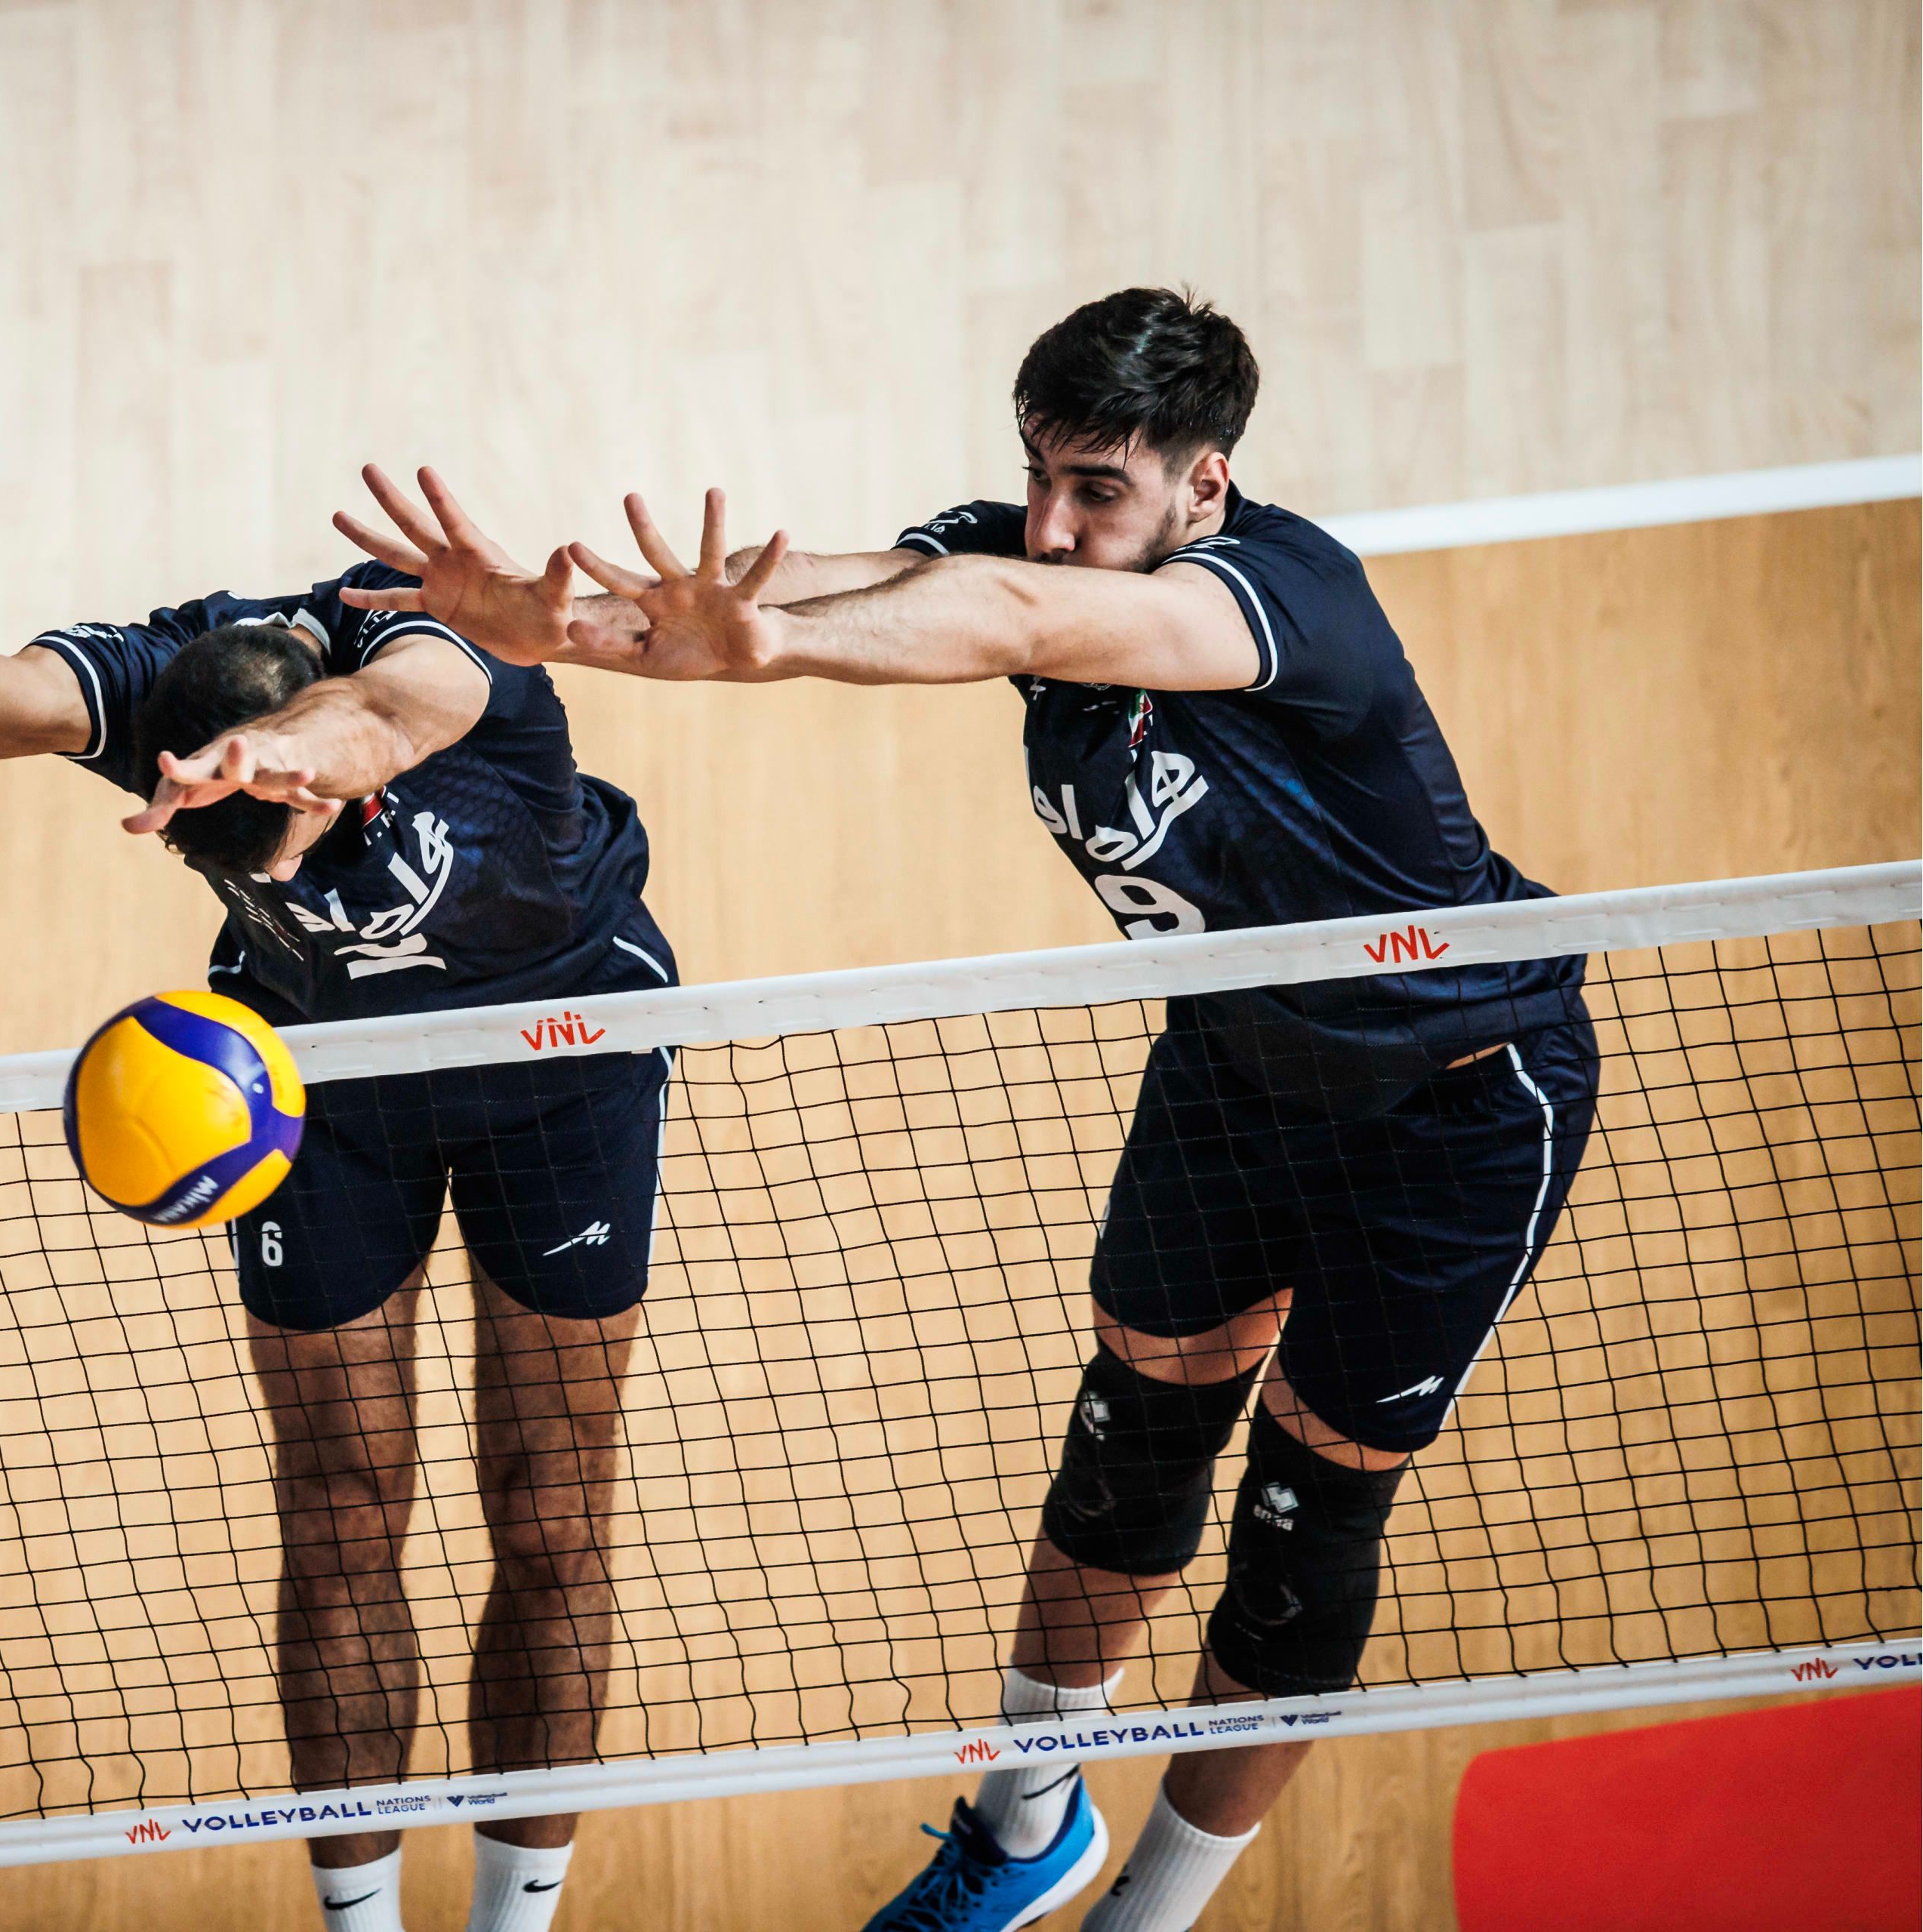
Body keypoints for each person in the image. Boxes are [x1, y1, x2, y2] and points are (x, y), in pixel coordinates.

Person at [333, 286, 1598, 1932]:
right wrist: (555, 620)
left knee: (1305, 1517)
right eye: (1044, 478)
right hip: (1240, 1066)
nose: (1061, 526)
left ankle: (1151, 1910)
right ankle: (1024, 1833)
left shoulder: (1277, 604)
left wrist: (779, 645)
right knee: (1129, 1442)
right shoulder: (1015, 549)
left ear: (1205, 487)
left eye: (1104, 493)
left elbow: (1007, 617)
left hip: (1454, 1102)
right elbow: (808, 589)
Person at [0, 514, 682, 1932]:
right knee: (341, 1512)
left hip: (561, 1061)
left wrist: (300, 751)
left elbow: (389, 705)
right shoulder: (165, 692)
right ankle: (361, 1924)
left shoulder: (442, 649)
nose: (263, 873)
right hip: (317, 1090)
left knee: (551, 1516)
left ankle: (514, 1917)